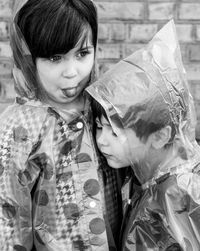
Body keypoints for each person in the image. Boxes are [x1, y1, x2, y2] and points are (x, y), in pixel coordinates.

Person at [0, 0, 122, 250]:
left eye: (82, 54)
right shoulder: (19, 127)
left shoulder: (103, 105)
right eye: (55, 57)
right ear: (28, 57)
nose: (72, 72)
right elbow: (8, 220)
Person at [86, 20, 200, 250]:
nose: (101, 140)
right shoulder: (149, 175)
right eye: (99, 127)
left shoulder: (175, 197)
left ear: (159, 136)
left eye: (116, 133)